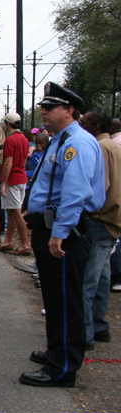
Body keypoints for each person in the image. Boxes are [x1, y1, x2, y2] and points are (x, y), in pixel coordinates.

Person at [20, 83, 105, 388]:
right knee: (54, 297)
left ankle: (62, 368)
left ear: (69, 110)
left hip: (66, 230)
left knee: (66, 298)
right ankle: (57, 351)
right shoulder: (61, 139)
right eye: (43, 106)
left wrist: (60, 232)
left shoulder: (77, 143)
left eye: (50, 107)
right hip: (51, 226)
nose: (43, 111)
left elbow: (75, 192)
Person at [77, 109, 120, 350]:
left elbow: (99, 187)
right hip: (112, 219)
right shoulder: (111, 145)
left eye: (84, 122)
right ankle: (99, 325)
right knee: (102, 275)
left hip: (100, 219)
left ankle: (84, 333)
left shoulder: (100, 147)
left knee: (87, 280)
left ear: (94, 126)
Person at [0, 113, 31, 255]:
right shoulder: (24, 139)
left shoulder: (10, 140)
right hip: (21, 177)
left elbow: (8, 163)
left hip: (13, 179)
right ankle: (8, 241)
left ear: (7, 124)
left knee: (15, 211)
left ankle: (24, 244)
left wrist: (3, 183)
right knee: (12, 210)